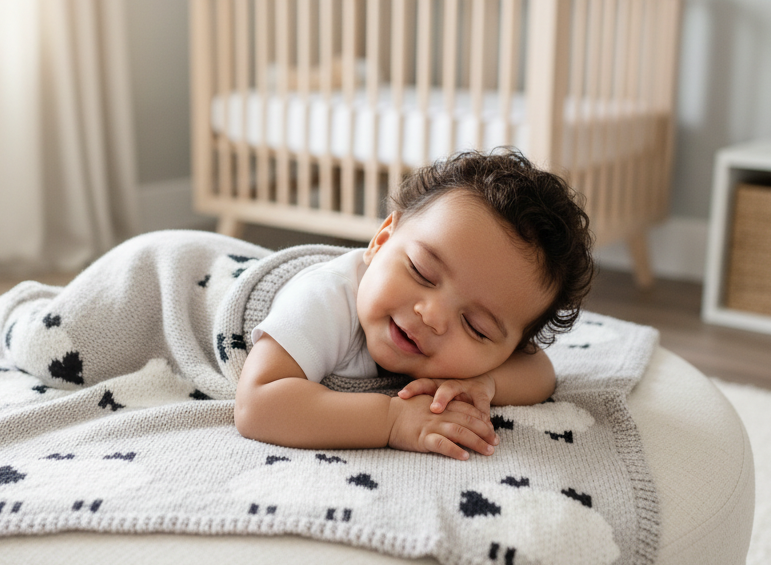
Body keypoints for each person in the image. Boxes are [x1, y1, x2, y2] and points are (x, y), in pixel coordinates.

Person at [234, 148, 594, 461]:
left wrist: (487, 383)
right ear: (382, 240)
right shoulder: (325, 300)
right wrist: (392, 419)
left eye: (476, 327)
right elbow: (258, 405)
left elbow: (540, 372)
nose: (432, 315)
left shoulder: (491, 352)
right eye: (422, 272)